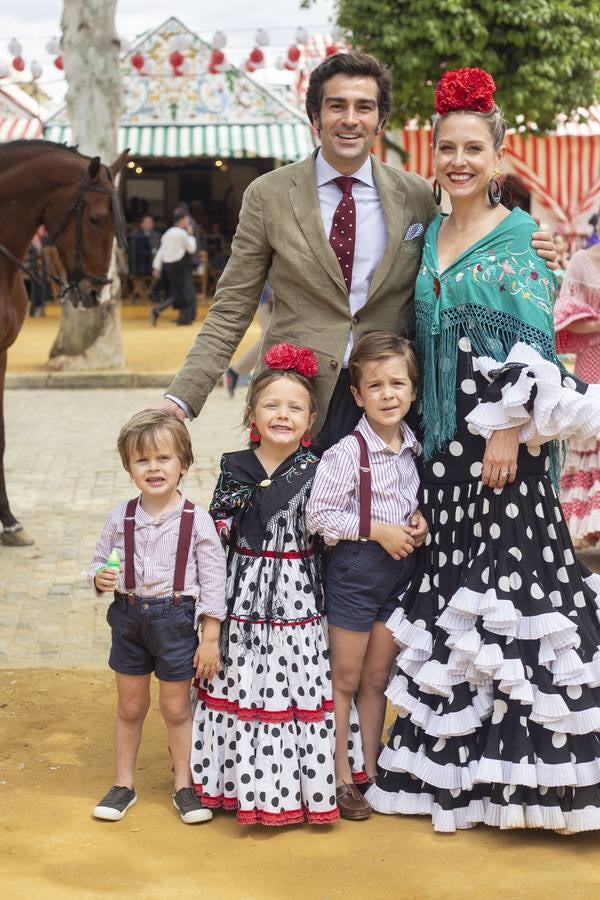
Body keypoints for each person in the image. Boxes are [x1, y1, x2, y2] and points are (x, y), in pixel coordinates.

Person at [366, 67, 600, 833]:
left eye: (474, 149)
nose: (459, 161)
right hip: (444, 453)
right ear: (431, 154)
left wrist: (506, 430)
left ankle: (541, 779)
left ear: (498, 159)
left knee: (515, 599)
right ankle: (463, 773)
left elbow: (538, 352)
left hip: (502, 450)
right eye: (447, 149)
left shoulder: (513, 242)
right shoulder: (431, 235)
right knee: (464, 600)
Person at [158, 51, 556, 450]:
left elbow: (460, 260)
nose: (351, 118)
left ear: (380, 120)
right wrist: (182, 399)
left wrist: (525, 242)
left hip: (390, 403)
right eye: (337, 106)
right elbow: (232, 307)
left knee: (388, 515)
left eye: (364, 107)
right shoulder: (269, 196)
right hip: (295, 401)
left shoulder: (416, 195)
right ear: (315, 117)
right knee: (290, 513)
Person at [191, 343, 364, 826]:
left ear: (312, 419)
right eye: (271, 405)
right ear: (251, 413)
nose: (282, 414)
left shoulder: (320, 470)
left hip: (300, 600)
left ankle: (301, 790)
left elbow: (338, 524)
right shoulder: (233, 468)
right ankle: (234, 784)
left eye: (295, 407)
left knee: (295, 687)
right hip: (241, 596)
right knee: (240, 681)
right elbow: (215, 539)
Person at [88, 410, 227, 825]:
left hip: (177, 621)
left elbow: (214, 584)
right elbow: (97, 564)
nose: (153, 468)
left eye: (163, 458)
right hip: (128, 619)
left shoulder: (196, 520)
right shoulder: (120, 517)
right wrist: (101, 577)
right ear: (129, 467)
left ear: (183, 463)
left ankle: (184, 785)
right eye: (142, 460)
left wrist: (210, 637)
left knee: (176, 707)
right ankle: (123, 784)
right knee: (130, 706)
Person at [306, 332, 423, 820]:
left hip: (398, 579)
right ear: (357, 395)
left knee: (378, 677)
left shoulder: (415, 449)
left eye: (398, 383)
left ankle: (370, 771)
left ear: (414, 390)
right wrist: (376, 531)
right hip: (355, 574)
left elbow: (415, 505)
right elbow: (319, 516)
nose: (388, 393)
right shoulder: (346, 453)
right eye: (375, 385)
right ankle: (338, 776)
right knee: (346, 677)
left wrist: (422, 522)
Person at [554, 244, 600, 547]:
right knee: (592, 433)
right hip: (593, 359)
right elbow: (564, 317)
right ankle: (587, 524)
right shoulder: (582, 262)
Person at [225, 282, 273, 397]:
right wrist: (271, 292)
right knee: (268, 339)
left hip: (279, 297)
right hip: (269, 298)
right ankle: (237, 371)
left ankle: (238, 371)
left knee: (271, 339)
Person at [151, 208, 197, 326]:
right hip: (178, 265)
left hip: (167, 266)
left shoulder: (168, 233)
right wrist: (191, 236)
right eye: (186, 219)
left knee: (177, 292)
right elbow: (191, 249)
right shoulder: (182, 233)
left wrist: (156, 267)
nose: (188, 221)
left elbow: (161, 251)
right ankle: (158, 309)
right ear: (182, 220)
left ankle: (183, 318)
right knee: (181, 293)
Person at [128, 214, 161, 302]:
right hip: (140, 265)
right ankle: (144, 295)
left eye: (151, 222)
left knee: (160, 274)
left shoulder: (157, 235)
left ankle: (151, 291)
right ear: (141, 224)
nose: (149, 224)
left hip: (155, 264)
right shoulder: (135, 235)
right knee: (137, 277)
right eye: (146, 222)